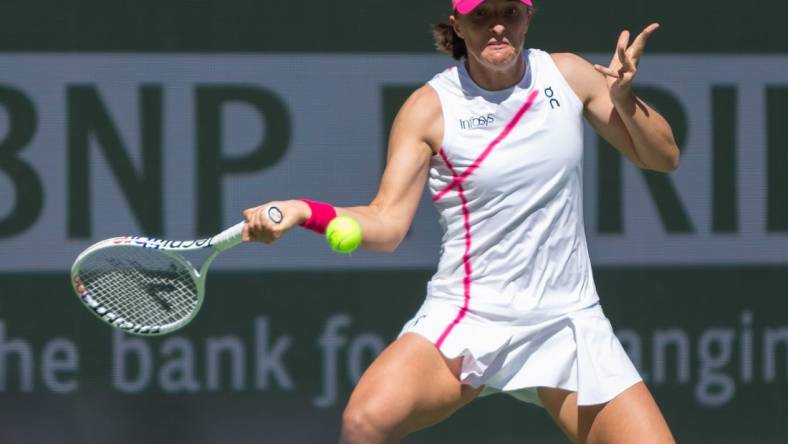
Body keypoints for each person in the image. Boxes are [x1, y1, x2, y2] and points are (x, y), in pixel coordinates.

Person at [242, 0, 680, 442]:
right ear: (457, 24)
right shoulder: (430, 109)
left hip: (566, 319)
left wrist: (625, 100)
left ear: (528, 17)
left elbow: (664, 157)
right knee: (365, 421)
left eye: (509, 13)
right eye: (481, 16)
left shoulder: (567, 76)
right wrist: (303, 212)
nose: (497, 27)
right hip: (470, 317)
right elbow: (386, 222)